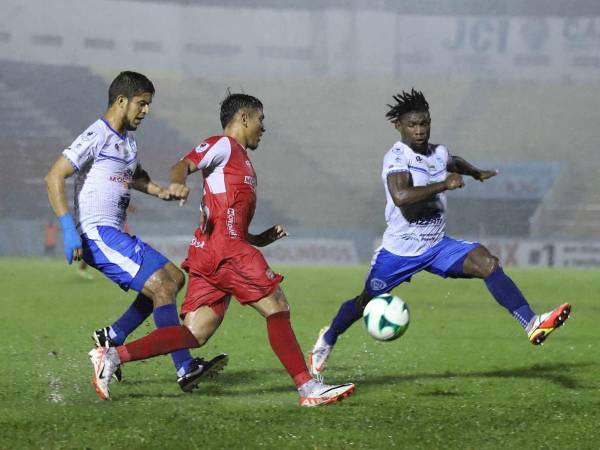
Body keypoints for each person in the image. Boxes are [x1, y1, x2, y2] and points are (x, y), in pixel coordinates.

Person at [308, 89, 571, 379]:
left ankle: (531, 322)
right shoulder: (397, 157)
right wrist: (443, 186)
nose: (419, 131)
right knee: (366, 301)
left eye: (424, 124)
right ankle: (328, 339)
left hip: (436, 246)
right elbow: (401, 196)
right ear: (399, 126)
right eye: (412, 125)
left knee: (488, 263)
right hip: (400, 253)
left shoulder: (437, 152)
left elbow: (452, 160)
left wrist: (475, 172)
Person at [44, 71, 226, 400]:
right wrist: (69, 229)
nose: (146, 111)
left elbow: (136, 178)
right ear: (121, 101)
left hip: (114, 233)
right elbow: (54, 176)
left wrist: (163, 191)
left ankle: (113, 337)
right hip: (97, 234)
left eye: (149, 105)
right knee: (161, 286)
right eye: (142, 104)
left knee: (173, 277)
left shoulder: (127, 142)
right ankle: (184, 367)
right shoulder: (97, 134)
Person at [167, 92, 355, 407]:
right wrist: (177, 182)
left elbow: (227, 217)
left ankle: (113, 355)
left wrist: (258, 238)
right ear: (243, 118)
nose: (263, 127)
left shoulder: (241, 159)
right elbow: (182, 164)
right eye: (260, 119)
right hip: (225, 250)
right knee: (276, 305)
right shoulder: (223, 145)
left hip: (218, 248)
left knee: (194, 334)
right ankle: (308, 389)